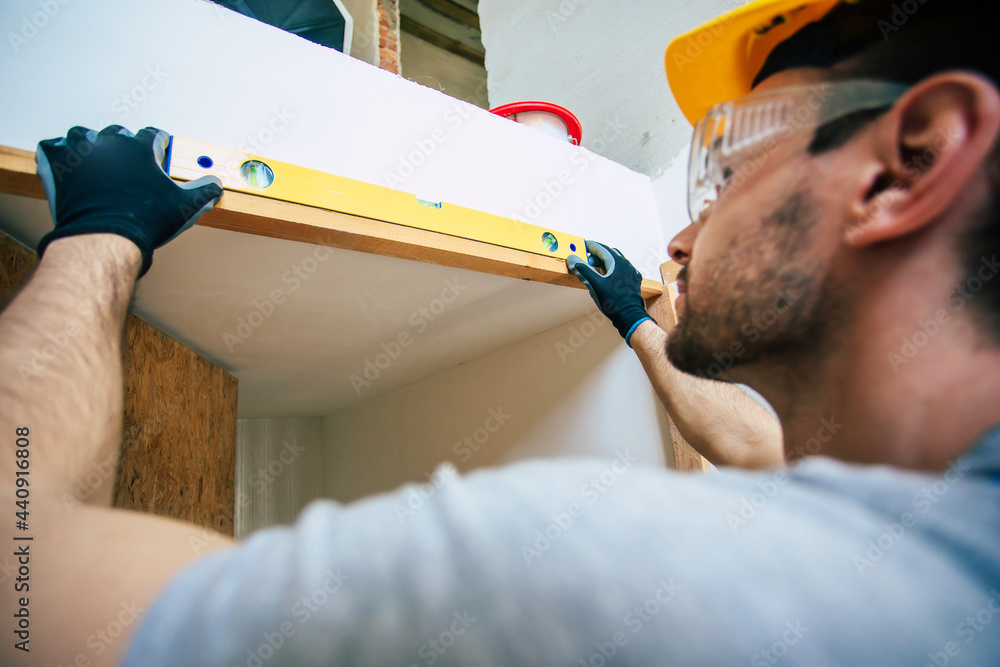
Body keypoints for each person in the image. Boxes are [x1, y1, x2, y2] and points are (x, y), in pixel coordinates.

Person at [2, 0, 999, 665]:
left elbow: (20, 579)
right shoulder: (942, 539)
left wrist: (101, 232)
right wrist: (638, 326)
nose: (686, 235)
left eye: (726, 175)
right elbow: (752, 448)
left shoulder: (611, 572)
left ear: (904, 164)